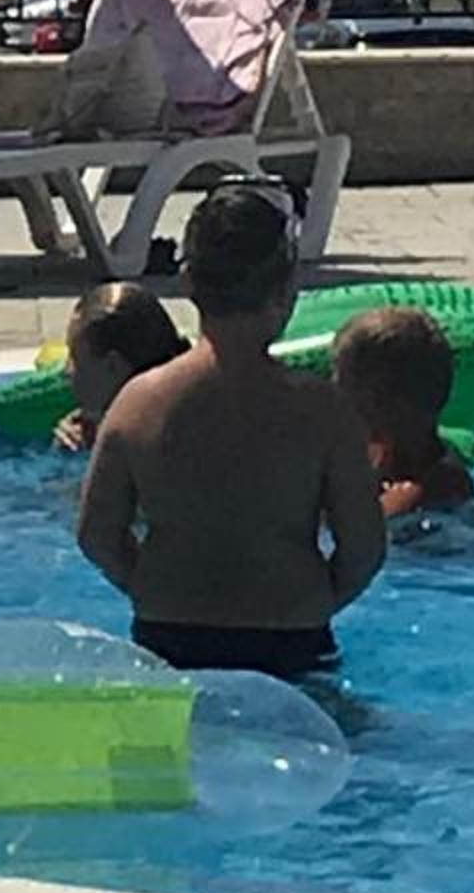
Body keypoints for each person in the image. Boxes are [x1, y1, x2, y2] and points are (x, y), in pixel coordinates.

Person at [75, 180, 385, 677]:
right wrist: (314, 600)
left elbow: (97, 535)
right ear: (285, 291)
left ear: (187, 282)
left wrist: (149, 587)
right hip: (291, 635)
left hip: (170, 634)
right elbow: (365, 549)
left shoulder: (136, 404)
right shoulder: (323, 411)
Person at [331, 305, 474, 520]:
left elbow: (352, 530)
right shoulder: (380, 464)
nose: (332, 390)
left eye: (341, 381)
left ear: (373, 403)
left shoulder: (417, 493)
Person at [55, 282, 187, 452]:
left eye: (74, 359)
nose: (66, 372)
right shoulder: (174, 410)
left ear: (113, 365)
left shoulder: (141, 442)